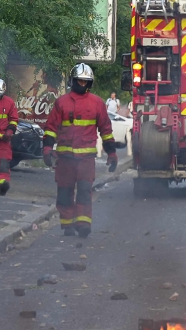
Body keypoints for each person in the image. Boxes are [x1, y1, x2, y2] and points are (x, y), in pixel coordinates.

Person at [43, 63, 117, 237]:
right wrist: (47, 148)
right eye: (80, 81)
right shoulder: (62, 102)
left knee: (84, 191)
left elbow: (106, 130)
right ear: (73, 81)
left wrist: (112, 153)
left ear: (89, 83)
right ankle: (67, 224)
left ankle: (83, 223)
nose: (82, 85)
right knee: (65, 192)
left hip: (85, 160)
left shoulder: (97, 103)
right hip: (65, 159)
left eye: (86, 82)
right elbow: (50, 128)